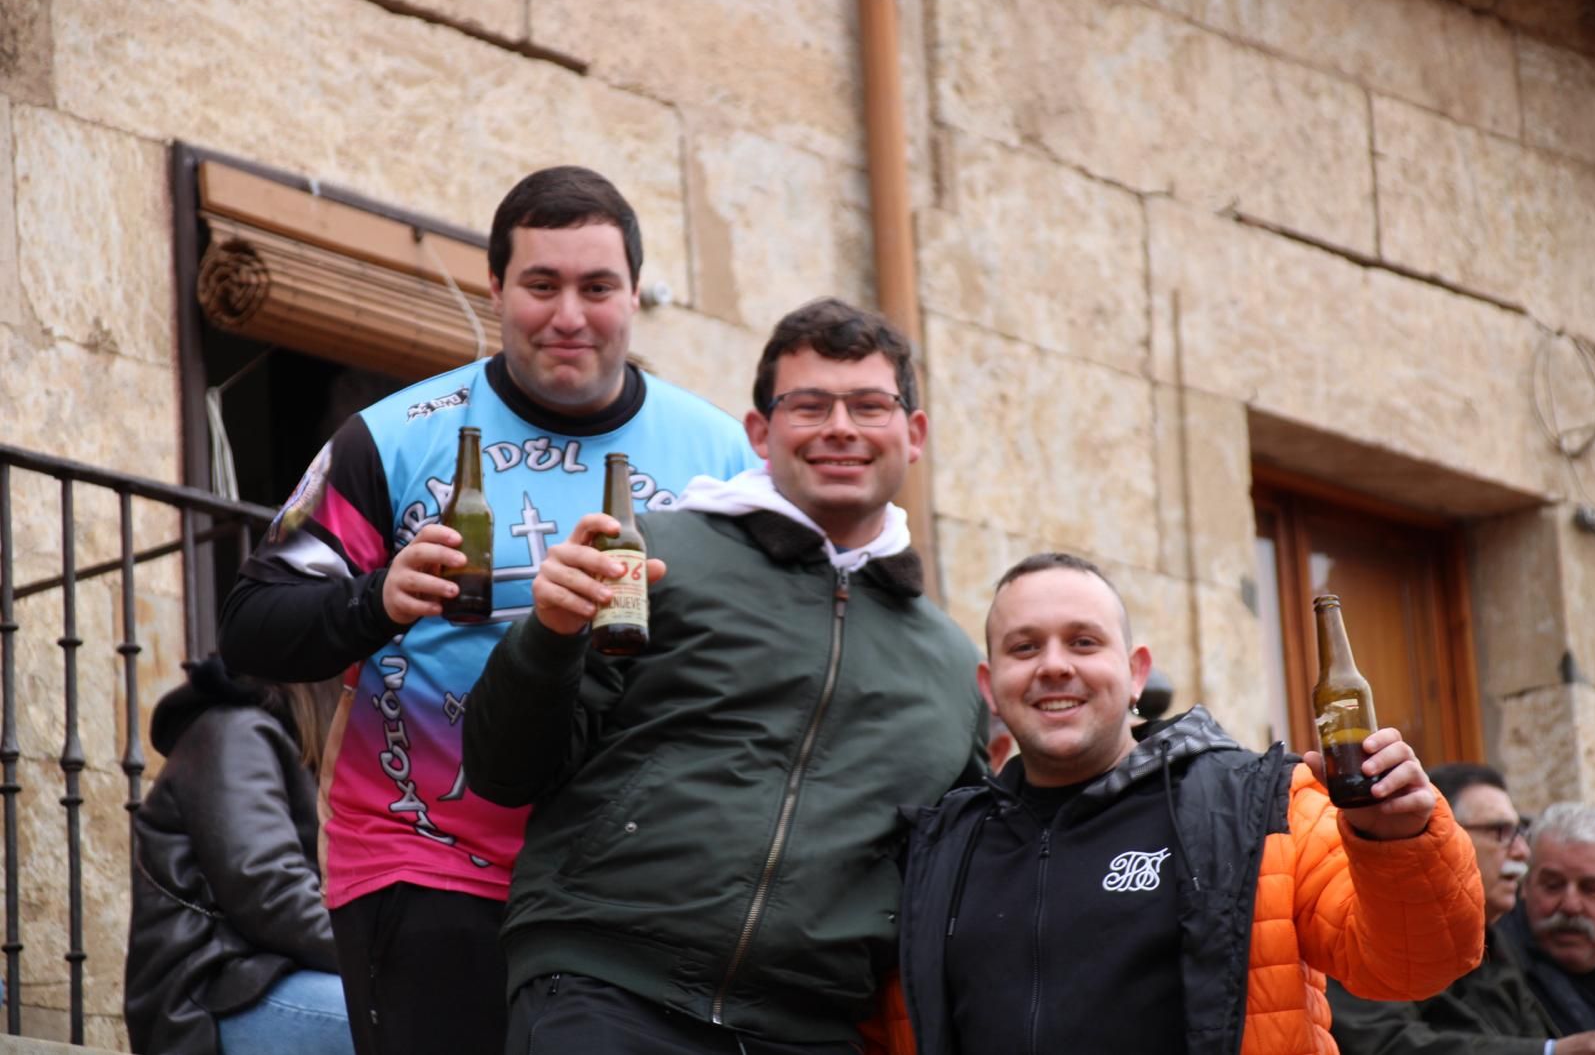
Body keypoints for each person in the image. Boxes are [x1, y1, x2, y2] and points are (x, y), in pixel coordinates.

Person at [218, 165, 758, 1055]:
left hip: (630, 886)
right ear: (496, 288)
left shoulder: (720, 455)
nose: (569, 315)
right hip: (426, 863)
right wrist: (375, 599)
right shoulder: (394, 437)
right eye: (542, 284)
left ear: (635, 294)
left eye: (597, 287)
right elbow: (251, 624)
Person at [463, 297, 989, 1052]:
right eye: (809, 405)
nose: (840, 427)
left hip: (813, 1031)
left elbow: (956, 884)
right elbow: (504, 770)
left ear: (914, 434)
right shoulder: (651, 557)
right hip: (605, 989)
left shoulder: (952, 666)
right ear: (760, 432)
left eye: (869, 406)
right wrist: (548, 635)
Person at [896, 552, 1486, 1055]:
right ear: (988, 685)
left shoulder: (1262, 805)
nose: (1054, 665)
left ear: (1136, 673)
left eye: (1083, 642)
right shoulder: (944, 844)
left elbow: (1414, 967)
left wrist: (1397, 841)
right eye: (1025, 647)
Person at [123, 658, 352, 1055]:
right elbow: (270, 893)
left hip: (274, 979)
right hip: (214, 998)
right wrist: (379, 962)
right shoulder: (234, 731)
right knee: (409, 1024)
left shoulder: (285, 743)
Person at [1326, 763, 1595, 1054]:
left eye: (1519, 832)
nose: (1521, 851)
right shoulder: (1364, 923)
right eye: (1500, 831)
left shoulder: (1493, 940)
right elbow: (1384, 1043)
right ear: (1441, 834)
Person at [1501, 803, 1595, 1041]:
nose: (1570, 906)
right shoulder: (1492, 963)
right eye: (1553, 885)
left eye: (1591, 888)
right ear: (1525, 885)